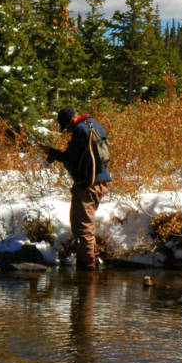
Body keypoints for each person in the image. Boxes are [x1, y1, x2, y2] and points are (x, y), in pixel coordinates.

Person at [42, 107, 112, 270]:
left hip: (88, 184)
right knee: (83, 224)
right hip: (100, 182)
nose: (68, 131)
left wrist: (50, 151)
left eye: (67, 128)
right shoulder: (95, 124)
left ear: (71, 121)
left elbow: (71, 158)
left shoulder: (80, 129)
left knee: (82, 227)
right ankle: (92, 261)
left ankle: (88, 271)